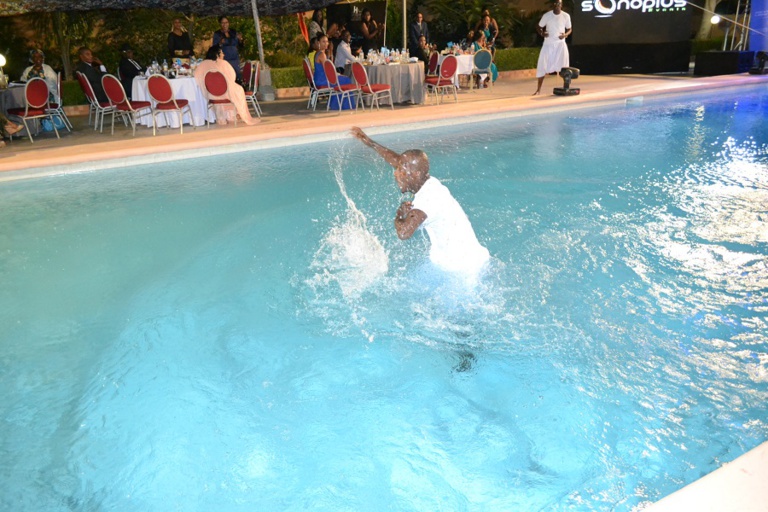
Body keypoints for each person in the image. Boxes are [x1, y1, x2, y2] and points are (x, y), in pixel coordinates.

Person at [350, 127, 490, 274]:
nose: (396, 174)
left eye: (401, 171)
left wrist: (399, 215)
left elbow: (403, 233)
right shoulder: (426, 181)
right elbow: (397, 160)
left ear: (415, 174)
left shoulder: (428, 199)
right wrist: (370, 142)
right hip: (454, 258)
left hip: (464, 266)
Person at [195, 45, 259, 126]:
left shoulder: (202, 64)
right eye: (222, 53)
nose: (223, 55)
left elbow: (197, 78)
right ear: (217, 54)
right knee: (238, 90)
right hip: (226, 93)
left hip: (210, 94)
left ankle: (222, 116)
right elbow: (232, 77)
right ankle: (234, 115)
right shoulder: (224, 63)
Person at [533, 0, 572, 95]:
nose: (557, 5)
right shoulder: (547, 15)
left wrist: (565, 35)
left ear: (561, 5)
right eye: (555, 4)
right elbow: (538, 26)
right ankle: (538, 89)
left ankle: (565, 88)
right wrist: (542, 33)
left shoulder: (566, 16)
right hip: (548, 44)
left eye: (559, 4)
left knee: (564, 66)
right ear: (553, 5)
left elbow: (569, 29)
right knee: (543, 64)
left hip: (560, 44)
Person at [213, 16, 244, 83]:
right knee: (227, 76)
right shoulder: (217, 34)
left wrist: (240, 40)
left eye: (226, 22)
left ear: (229, 23)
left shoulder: (233, 32)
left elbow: (240, 45)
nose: (225, 25)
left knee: (237, 75)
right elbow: (214, 47)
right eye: (222, 23)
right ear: (220, 24)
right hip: (225, 58)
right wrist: (220, 43)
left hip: (235, 58)